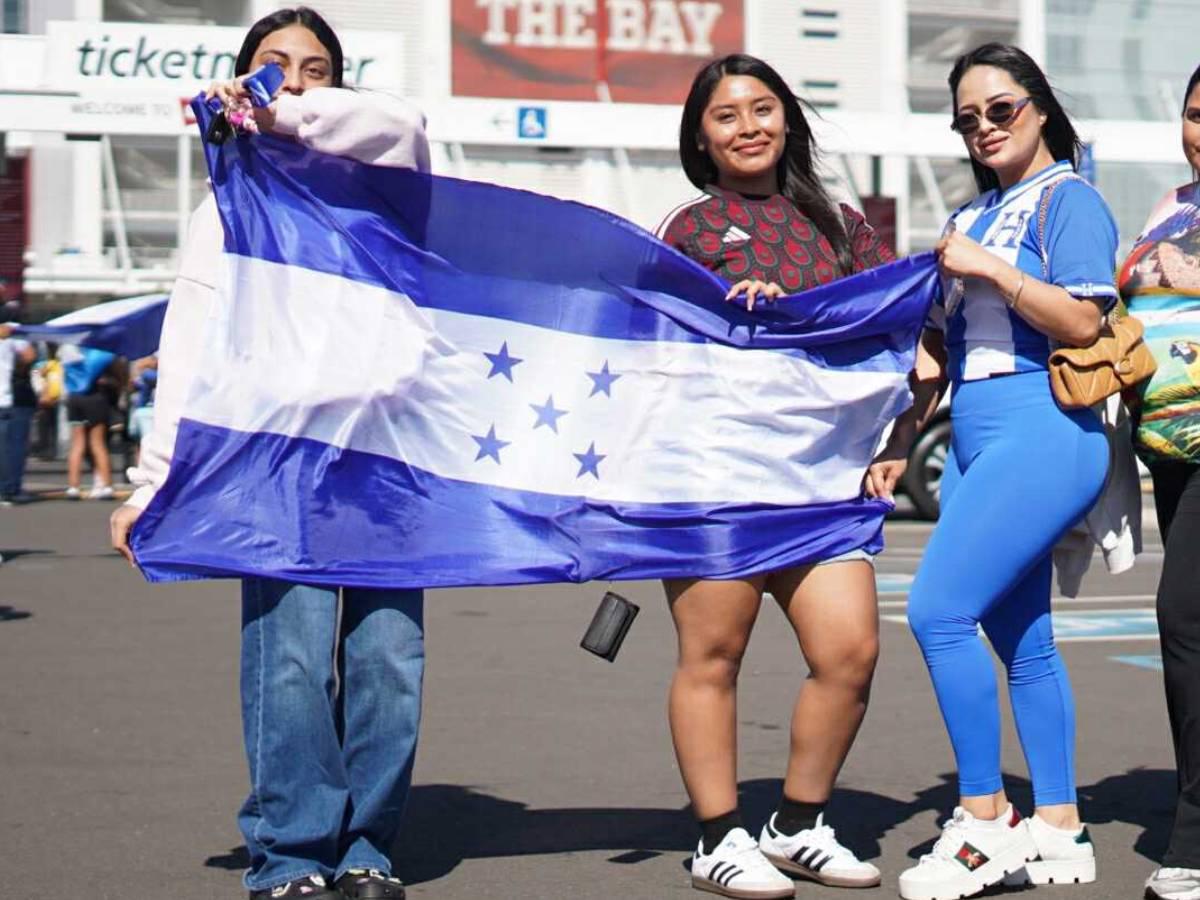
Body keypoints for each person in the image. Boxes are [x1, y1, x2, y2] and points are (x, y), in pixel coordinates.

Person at [108, 8, 431, 900]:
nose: (293, 77)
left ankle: (367, 846)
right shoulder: (227, 205)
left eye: (315, 67)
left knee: (389, 658)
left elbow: (403, 121)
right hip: (274, 460)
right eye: (272, 63)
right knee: (288, 656)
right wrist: (150, 482)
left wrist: (276, 107)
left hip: (384, 456)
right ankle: (291, 854)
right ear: (240, 69)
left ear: (338, 83)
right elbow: (190, 342)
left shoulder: (381, 179)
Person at [866, 43, 1117, 900]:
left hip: (1044, 429)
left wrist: (994, 272)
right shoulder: (969, 217)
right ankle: (1060, 826)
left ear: (1039, 107)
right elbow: (939, 351)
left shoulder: (1069, 198)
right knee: (1024, 640)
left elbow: (1082, 323)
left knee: (937, 612)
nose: (984, 128)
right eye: (967, 119)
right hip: (974, 435)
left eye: (1000, 109)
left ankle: (985, 819)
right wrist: (901, 435)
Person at [656, 53, 894, 899]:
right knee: (713, 656)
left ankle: (796, 823)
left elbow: (893, 329)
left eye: (762, 109)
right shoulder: (687, 229)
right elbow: (651, 347)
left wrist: (897, 436)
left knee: (850, 653)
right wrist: (732, 318)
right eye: (726, 115)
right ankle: (717, 837)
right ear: (701, 138)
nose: (748, 127)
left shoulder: (844, 226)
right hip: (719, 475)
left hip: (824, 482)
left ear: (787, 118)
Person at [1120, 62, 1200, 900]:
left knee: (1183, 618)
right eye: (1198, 114)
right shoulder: (1169, 208)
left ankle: (1195, 837)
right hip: (1170, 452)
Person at [61, 344, 120, 500]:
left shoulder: (67, 348)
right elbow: (113, 363)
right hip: (94, 397)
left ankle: (73, 487)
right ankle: (106, 486)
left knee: (77, 444)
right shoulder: (98, 352)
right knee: (97, 443)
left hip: (74, 398)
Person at [0, 323, 36, 505]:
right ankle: (9, 490)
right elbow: (29, 356)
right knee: (13, 447)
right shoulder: (12, 330)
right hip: (8, 398)